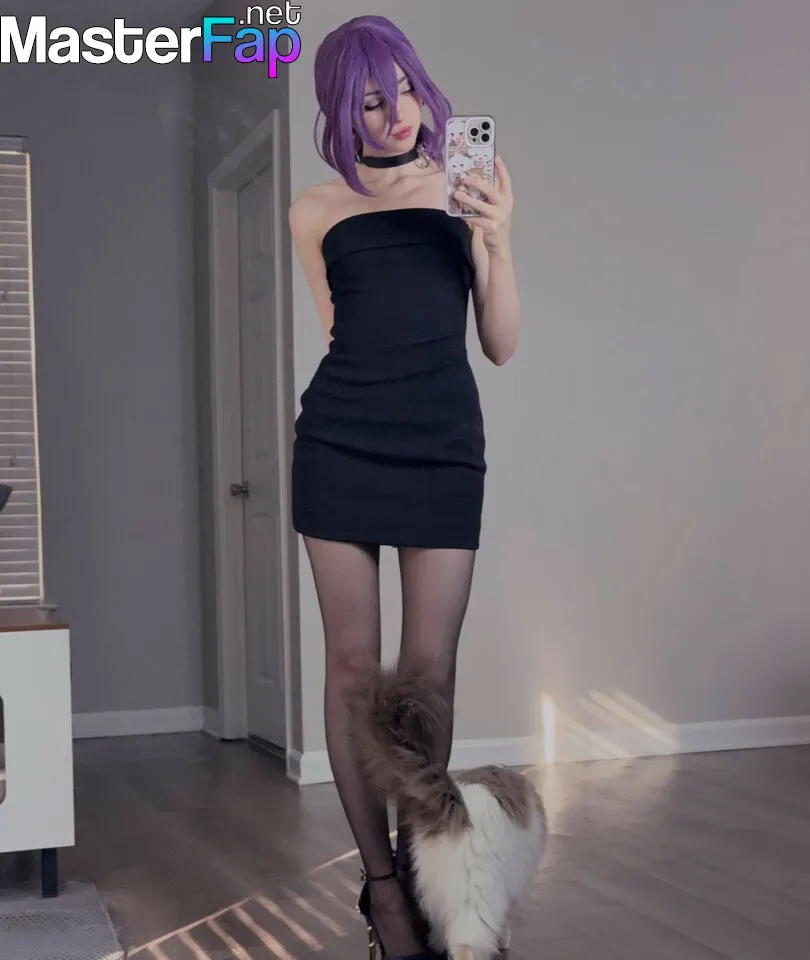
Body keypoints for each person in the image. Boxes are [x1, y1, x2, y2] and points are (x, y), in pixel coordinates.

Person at [288, 15, 521, 960]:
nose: (396, 114)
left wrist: (497, 239)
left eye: (407, 90)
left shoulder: (466, 188)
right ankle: (384, 891)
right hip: (340, 440)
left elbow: (499, 343)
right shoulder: (314, 210)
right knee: (353, 671)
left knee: (427, 677)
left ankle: (429, 875)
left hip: (442, 446)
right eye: (372, 101)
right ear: (343, 111)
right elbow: (337, 328)